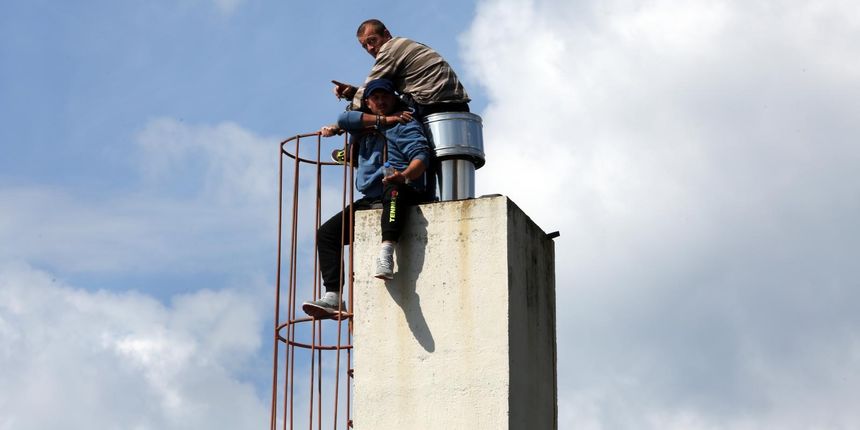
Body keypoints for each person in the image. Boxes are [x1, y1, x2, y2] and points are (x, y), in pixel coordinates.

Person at [303, 78, 434, 319]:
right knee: (327, 233)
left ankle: (386, 253)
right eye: (375, 98)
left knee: (393, 192)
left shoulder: (406, 122)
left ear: (394, 98)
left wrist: (403, 176)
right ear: (368, 104)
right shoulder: (363, 126)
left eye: (385, 96)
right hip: (371, 195)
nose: (381, 101)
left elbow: (421, 157)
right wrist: (341, 128)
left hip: (400, 188)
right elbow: (345, 120)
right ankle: (332, 295)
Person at [331, 19, 471, 119]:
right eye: (365, 46)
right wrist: (353, 92)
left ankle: (354, 152)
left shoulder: (390, 49)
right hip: (456, 106)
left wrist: (346, 119)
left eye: (372, 40)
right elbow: (371, 89)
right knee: (380, 100)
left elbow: (370, 86)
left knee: (380, 108)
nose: (370, 48)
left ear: (386, 34)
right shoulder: (403, 44)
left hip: (433, 104)